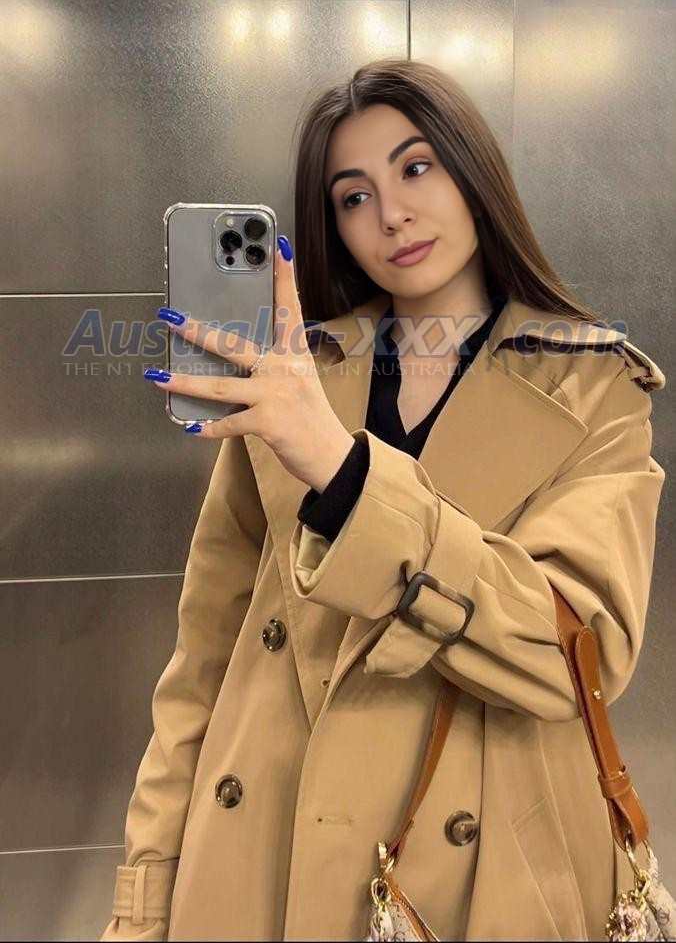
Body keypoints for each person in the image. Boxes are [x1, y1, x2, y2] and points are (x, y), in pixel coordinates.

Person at [100, 58, 666, 942]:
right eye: (353, 196)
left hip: (473, 877)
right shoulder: (291, 378)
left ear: (473, 174)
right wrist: (142, 907)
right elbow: (202, 666)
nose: (391, 214)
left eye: (416, 167)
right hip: (260, 865)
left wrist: (343, 470)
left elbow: (576, 658)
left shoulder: (591, 387)